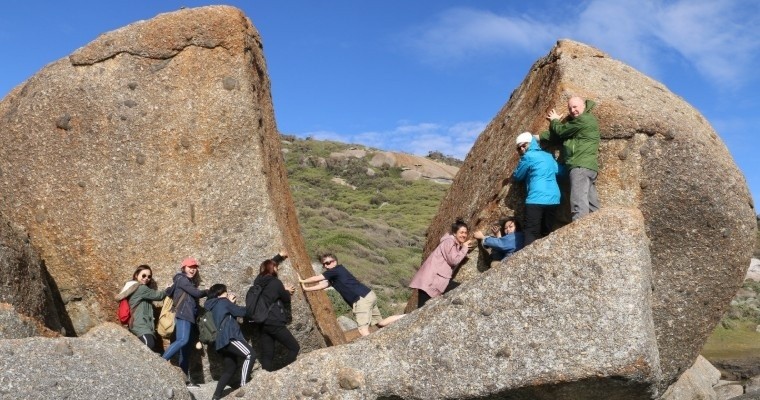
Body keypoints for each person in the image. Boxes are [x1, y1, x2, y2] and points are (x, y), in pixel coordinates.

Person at [300, 253, 401, 336]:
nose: (326, 266)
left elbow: (317, 278)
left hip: (361, 298)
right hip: (368, 295)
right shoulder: (335, 274)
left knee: (362, 330)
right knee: (381, 323)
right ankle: (408, 316)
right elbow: (322, 285)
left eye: (328, 263)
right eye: (324, 264)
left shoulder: (336, 270)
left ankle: (375, 349)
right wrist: (306, 288)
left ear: (334, 261)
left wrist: (302, 280)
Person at [539, 96, 601, 221]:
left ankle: (580, 234)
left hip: (580, 166)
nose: (572, 110)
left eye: (575, 107)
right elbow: (559, 137)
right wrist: (538, 137)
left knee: (578, 203)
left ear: (583, 106)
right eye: (570, 108)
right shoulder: (579, 125)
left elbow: (561, 131)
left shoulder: (584, 119)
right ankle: (599, 230)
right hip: (588, 167)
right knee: (592, 205)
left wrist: (554, 121)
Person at [249, 251, 300, 371]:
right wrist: (285, 290)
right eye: (277, 268)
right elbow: (286, 299)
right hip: (275, 322)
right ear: (274, 269)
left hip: (262, 323)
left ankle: (267, 377)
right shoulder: (276, 283)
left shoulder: (258, 281)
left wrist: (278, 257)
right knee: (294, 348)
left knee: (268, 355)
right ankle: (286, 372)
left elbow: (267, 266)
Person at [162, 257, 208, 388]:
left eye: (194, 268)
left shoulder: (184, 281)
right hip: (183, 314)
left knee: (185, 350)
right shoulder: (182, 279)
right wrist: (208, 291)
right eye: (190, 267)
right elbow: (197, 293)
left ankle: (184, 380)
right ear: (183, 268)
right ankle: (161, 361)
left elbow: (169, 291)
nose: (193, 270)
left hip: (189, 316)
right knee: (182, 340)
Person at [204, 284, 255, 400]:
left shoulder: (212, 305)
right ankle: (244, 385)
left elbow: (225, 314)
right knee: (250, 354)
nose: (228, 293)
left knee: (230, 369)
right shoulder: (223, 302)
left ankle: (216, 396)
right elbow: (242, 312)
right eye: (226, 292)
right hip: (229, 338)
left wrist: (230, 304)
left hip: (220, 342)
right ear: (222, 292)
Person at [409, 219, 473, 308]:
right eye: (461, 232)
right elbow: (453, 260)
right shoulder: (449, 242)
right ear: (455, 233)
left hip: (435, 281)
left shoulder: (454, 243)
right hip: (430, 281)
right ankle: (388, 322)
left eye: (465, 233)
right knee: (418, 313)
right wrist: (464, 248)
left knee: (421, 312)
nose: (464, 235)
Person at [511, 131, 560, 246]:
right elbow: (558, 171)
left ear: (531, 143)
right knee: (546, 232)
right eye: (519, 148)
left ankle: (529, 260)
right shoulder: (548, 156)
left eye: (524, 145)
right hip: (554, 199)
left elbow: (518, 176)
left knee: (531, 232)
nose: (522, 149)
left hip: (536, 198)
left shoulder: (528, 156)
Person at [115, 265, 169, 352]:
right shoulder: (141, 288)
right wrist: (169, 289)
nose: (146, 278)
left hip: (139, 324)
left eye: (149, 276)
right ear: (136, 275)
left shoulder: (132, 287)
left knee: (148, 346)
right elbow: (158, 296)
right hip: (140, 324)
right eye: (143, 275)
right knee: (148, 345)